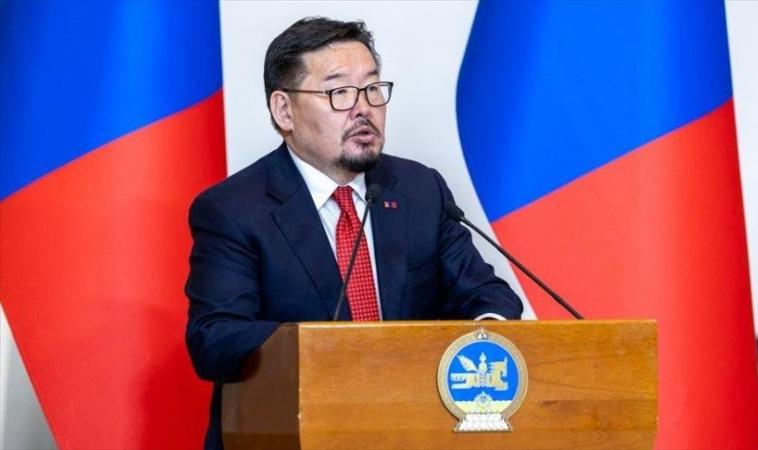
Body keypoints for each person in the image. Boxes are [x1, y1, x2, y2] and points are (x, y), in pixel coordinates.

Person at [185, 17, 522, 449]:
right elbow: (215, 338)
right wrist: (333, 350)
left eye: (372, 88)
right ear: (284, 111)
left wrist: (484, 342)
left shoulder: (419, 189)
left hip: (412, 432)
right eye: (340, 92)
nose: (364, 108)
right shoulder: (234, 210)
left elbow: (488, 296)